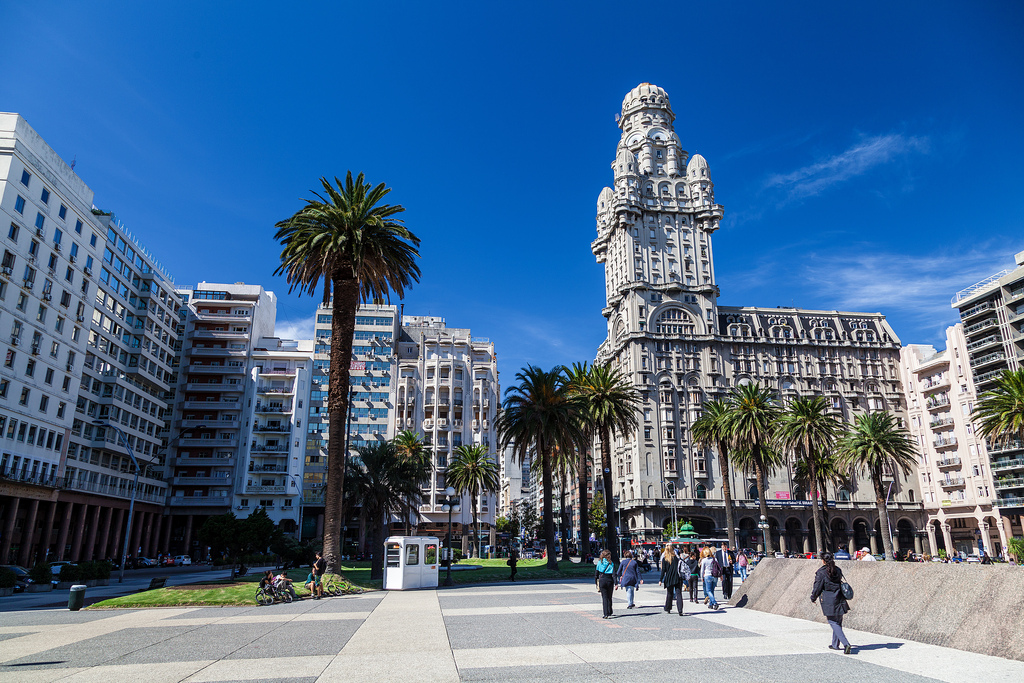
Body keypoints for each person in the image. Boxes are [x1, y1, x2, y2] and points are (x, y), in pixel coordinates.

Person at [810, 552, 853, 654]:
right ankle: (835, 644)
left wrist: (813, 597)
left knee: (833, 622)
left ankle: (846, 644)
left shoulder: (821, 572)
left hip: (829, 600)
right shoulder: (837, 569)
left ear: (823, 560)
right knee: (838, 622)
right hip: (840, 598)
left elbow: (817, 587)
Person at [658, 544, 685, 616]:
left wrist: (660, 579)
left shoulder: (664, 559)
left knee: (669, 593)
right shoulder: (676, 558)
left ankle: (668, 608)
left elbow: (663, 570)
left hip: (669, 578)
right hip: (677, 577)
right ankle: (680, 610)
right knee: (679, 594)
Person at [595, 550, 616, 619]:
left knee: (604, 597)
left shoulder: (599, 562)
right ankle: (610, 610)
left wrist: (596, 582)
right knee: (609, 596)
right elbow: (614, 574)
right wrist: (616, 583)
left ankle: (605, 613)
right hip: (609, 580)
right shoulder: (611, 563)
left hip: (602, 580)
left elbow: (596, 574)